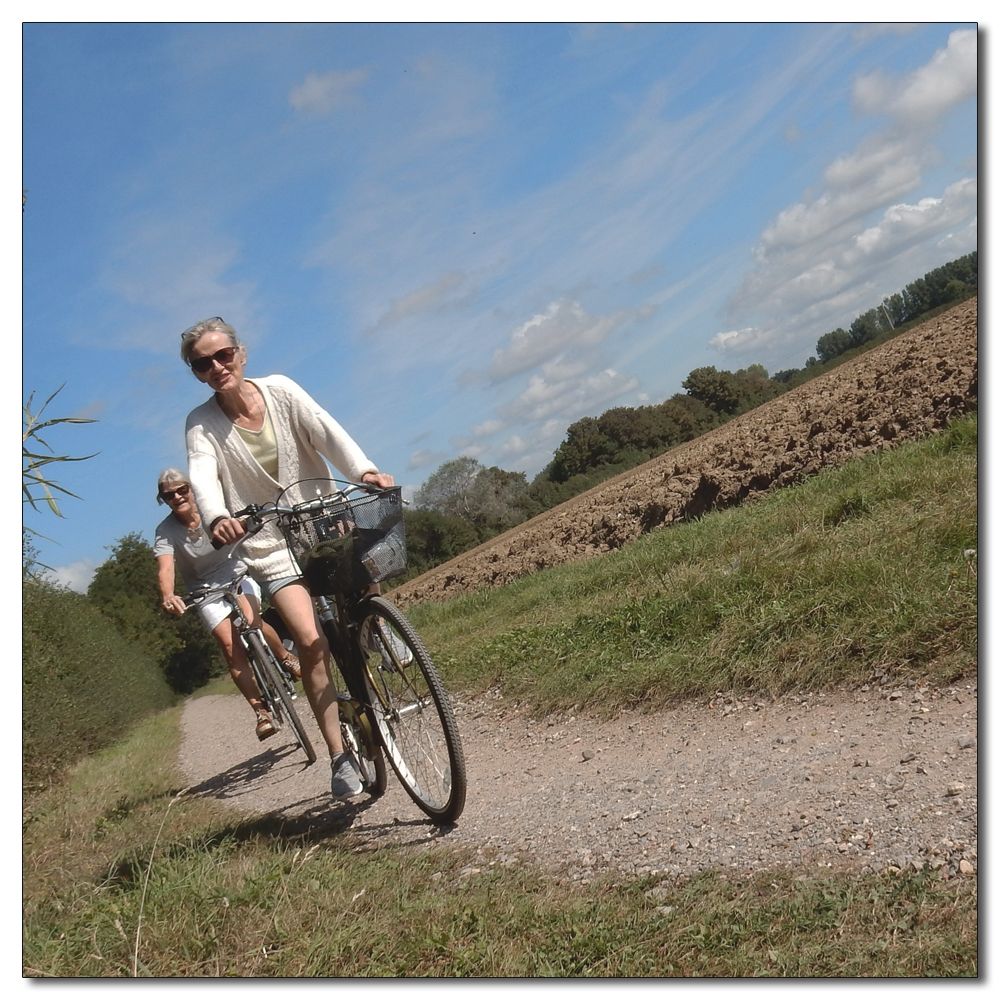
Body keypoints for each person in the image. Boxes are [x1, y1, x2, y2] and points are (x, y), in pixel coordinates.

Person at [180, 317, 395, 800]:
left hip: (321, 518)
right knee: (309, 639)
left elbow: (326, 429)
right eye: (202, 364)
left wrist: (364, 470)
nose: (216, 367)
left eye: (223, 355)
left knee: (366, 570)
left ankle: (378, 630)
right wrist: (216, 517)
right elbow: (203, 474)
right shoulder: (201, 423)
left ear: (241, 352)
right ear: (195, 372)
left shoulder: (279, 389)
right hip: (268, 543)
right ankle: (340, 756)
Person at [153, 468, 302, 741]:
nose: (177, 497)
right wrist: (168, 595)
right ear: (163, 500)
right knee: (230, 646)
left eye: (182, 490)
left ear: (192, 488)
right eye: (168, 495)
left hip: (237, 574)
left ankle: (286, 657)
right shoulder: (165, 531)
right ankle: (261, 712)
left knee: (252, 619)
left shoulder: (214, 512)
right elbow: (165, 568)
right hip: (204, 590)